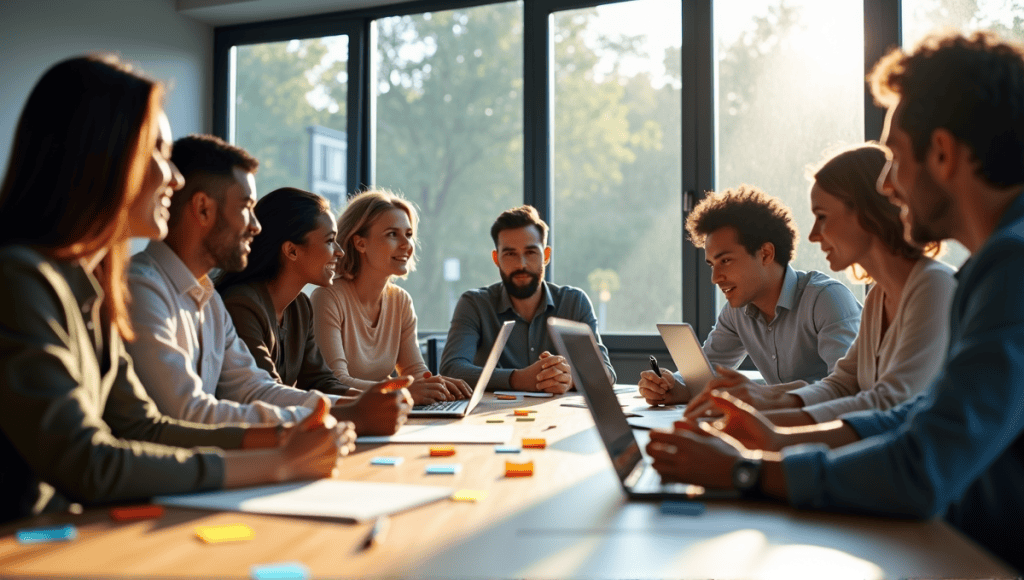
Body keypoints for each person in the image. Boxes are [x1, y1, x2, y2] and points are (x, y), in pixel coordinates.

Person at [647, 31, 1024, 572]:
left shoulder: (1007, 266)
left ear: (942, 152)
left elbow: (922, 466)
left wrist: (748, 471)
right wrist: (777, 436)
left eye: (893, 159)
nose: (888, 186)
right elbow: (919, 415)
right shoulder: (992, 265)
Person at [0, 55, 352, 523]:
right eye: (158, 153)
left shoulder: (93, 290)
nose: (176, 177)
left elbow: (143, 426)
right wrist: (277, 460)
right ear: (103, 156)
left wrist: (282, 438)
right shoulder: (20, 279)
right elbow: (87, 463)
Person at [126, 135, 411, 434]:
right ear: (203, 209)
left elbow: (255, 388)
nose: (255, 226)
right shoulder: (143, 289)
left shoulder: (208, 300)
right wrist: (345, 415)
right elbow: (188, 413)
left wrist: (351, 408)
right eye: (246, 207)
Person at [684, 144, 957, 425]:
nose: (813, 235)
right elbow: (842, 384)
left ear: (866, 212)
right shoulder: (879, 296)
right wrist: (765, 400)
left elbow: (889, 403)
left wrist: (772, 425)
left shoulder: (933, 286)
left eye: (822, 216)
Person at [638, 186, 862, 405]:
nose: (715, 278)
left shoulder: (826, 300)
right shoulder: (737, 312)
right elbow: (706, 372)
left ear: (765, 254)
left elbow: (847, 388)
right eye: (711, 265)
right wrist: (671, 384)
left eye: (725, 261)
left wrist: (760, 393)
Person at [215, 188, 409, 434]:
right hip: (252, 439)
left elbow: (320, 381)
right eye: (330, 241)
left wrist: (372, 401)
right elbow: (265, 393)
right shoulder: (241, 305)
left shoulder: (300, 307)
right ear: (292, 251)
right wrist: (359, 407)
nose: (339, 251)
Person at [311, 189, 472, 405]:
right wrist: (403, 390)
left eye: (408, 234)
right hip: (346, 417)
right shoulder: (327, 298)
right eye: (392, 234)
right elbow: (336, 382)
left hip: (385, 411)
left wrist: (438, 384)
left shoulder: (401, 300)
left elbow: (414, 370)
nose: (406, 245)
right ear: (360, 243)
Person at [440, 205, 616, 393]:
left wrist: (570, 379)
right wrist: (517, 379)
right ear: (496, 258)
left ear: (546, 256)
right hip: (492, 419)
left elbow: (606, 373)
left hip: (560, 418)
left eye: (531, 253)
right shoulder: (474, 304)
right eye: (510, 254)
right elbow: (452, 370)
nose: (521, 264)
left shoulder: (574, 302)